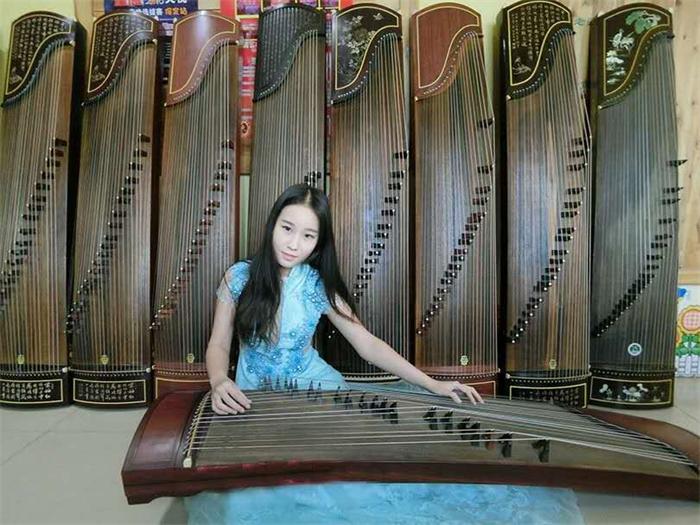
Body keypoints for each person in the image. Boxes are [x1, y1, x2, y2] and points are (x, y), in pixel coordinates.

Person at [186, 184, 583, 524]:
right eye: (287, 228)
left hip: (316, 393)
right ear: (272, 224)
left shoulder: (316, 285)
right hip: (253, 398)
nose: (293, 244)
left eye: (308, 236)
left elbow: (367, 344)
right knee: (248, 496)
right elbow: (219, 343)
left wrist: (432, 384)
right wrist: (219, 381)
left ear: (319, 243)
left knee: (348, 484)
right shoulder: (239, 276)